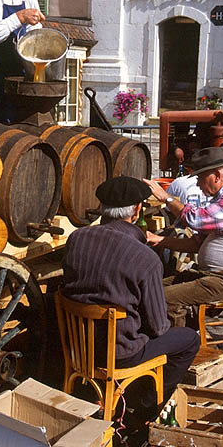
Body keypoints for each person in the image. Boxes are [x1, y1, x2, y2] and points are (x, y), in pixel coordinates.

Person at [61, 175, 200, 422]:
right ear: (137, 211)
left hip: (79, 348)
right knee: (189, 339)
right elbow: (158, 326)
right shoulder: (144, 258)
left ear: (103, 208)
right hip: (121, 354)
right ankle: (142, 410)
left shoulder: (76, 239)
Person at [144, 147, 223, 328]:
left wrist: (166, 197)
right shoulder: (222, 200)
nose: (197, 184)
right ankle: (183, 335)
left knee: (165, 299)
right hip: (211, 276)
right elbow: (196, 243)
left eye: (199, 178)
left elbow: (195, 220)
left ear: (216, 176)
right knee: (152, 288)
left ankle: (180, 347)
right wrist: (159, 240)